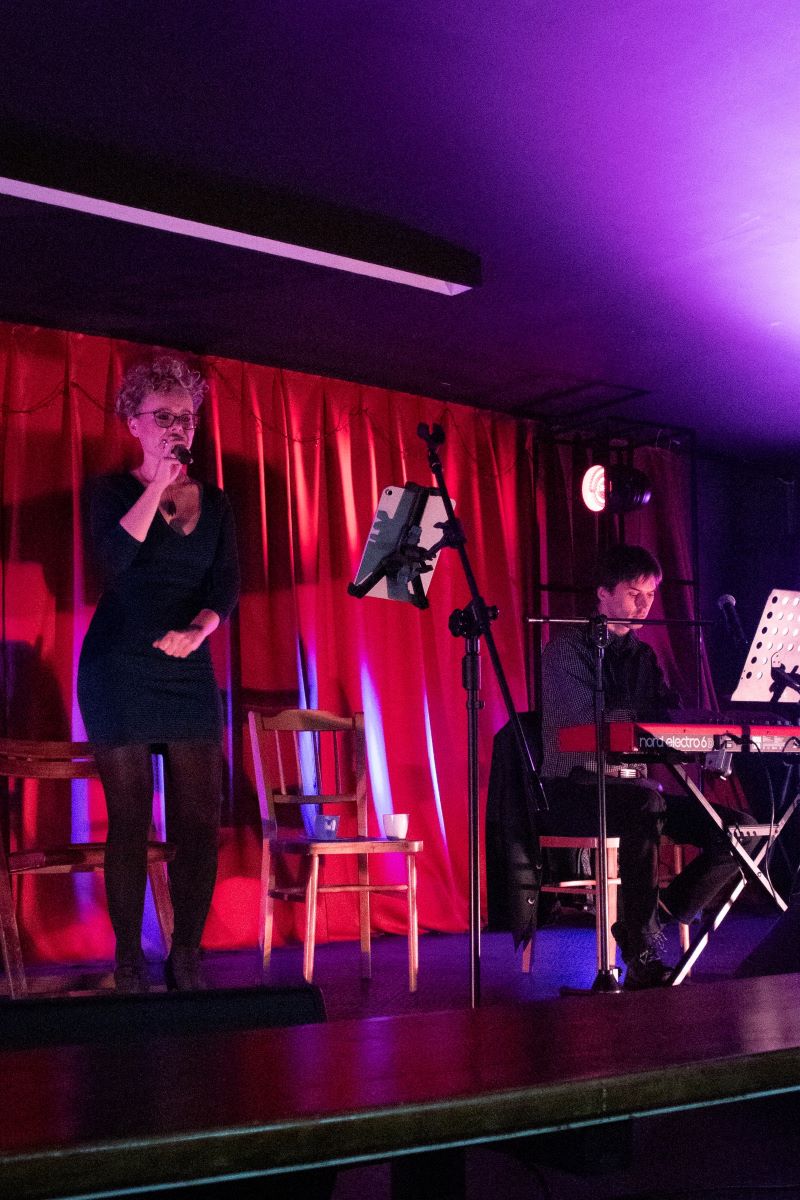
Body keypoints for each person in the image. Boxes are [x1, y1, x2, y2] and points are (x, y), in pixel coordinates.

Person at [78, 356, 240, 992]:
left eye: (187, 417)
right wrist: (157, 485)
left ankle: (187, 957)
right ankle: (128, 962)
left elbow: (225, 585)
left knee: (199, 822)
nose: (178, 427)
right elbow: (115, 562)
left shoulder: (217, 503)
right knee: (130, 820)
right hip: (119, 667)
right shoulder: (111, 493)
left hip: (186, 667)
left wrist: (199, 630)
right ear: (134, 423)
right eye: (164, 416)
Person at [540, 544, 744, 989]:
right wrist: (644, 722)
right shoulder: (565, 650)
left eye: (650, 596)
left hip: (634, 793)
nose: (645, 605)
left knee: (741, 831)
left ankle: (652, 920)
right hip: (573, 789)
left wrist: (707, 734)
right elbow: (581, 727)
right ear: (603, 592)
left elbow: (666, 720)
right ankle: (643, 951)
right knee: (644, 804)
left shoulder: (643, 657)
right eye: (635, 594)